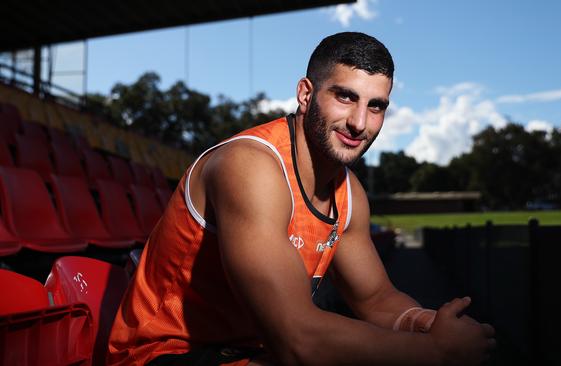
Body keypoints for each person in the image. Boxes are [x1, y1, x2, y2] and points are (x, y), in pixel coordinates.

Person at [108, 32, 495, 366]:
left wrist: (429, 325)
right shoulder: (250, 166)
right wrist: (436, 354)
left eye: (375, 106)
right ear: (306, 94)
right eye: (345, 97)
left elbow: (377, 299)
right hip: (163, 354)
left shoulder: (349, 193)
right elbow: (298, 340)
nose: (360, 122)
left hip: (249, 351)